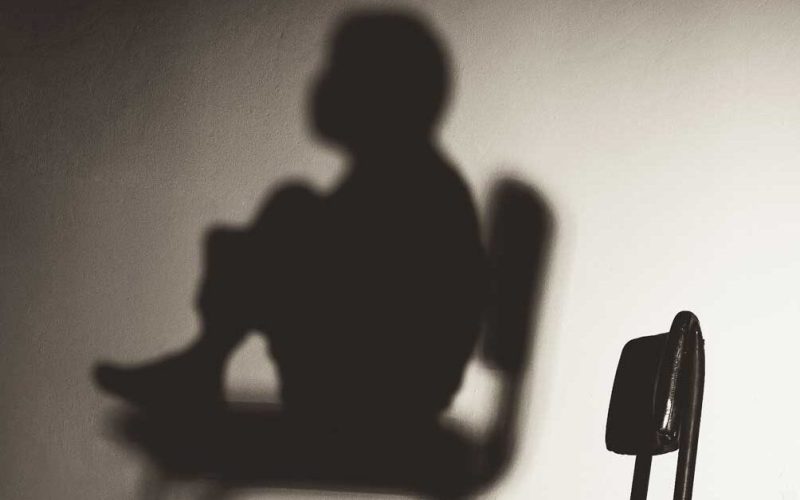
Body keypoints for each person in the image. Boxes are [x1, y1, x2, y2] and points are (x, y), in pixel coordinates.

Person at [95, 11, 489, 427]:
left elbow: (362, 291)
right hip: (383, 389)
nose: (321, 85)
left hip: (379, 396)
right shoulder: (404, 178)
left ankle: (201, 364)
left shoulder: (413, 186)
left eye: (342, 70)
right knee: (290, 212)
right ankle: (201, 364)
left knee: (291, 208)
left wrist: (249, 261)